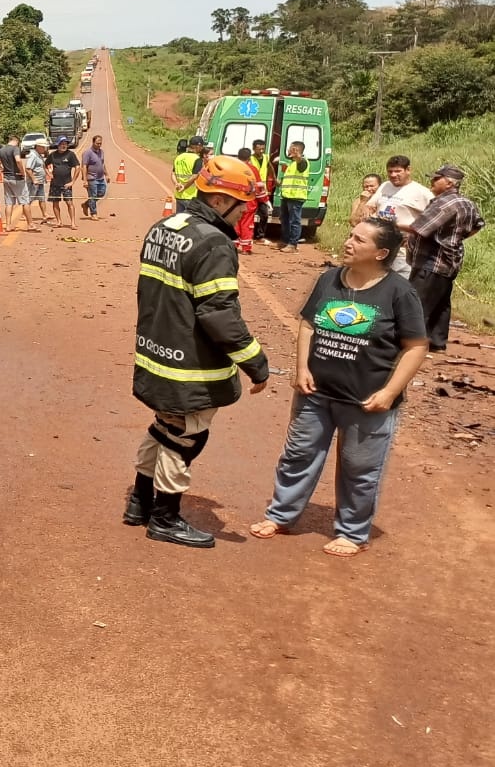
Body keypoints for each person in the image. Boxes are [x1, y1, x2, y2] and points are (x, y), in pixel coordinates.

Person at [250, 217, 428, 557]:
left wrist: (390, 392)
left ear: (381, 253)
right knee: (297, 456)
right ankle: (281, 515)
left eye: (359, 240)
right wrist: (301, 368)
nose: (349, 242)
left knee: (360, 469)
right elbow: (308, 324)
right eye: (350, 235)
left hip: (367, 401)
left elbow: (416, 346)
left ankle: (352, 531)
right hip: (315, 394)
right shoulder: (329, 278)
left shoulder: (399, 292)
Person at [125, 156, 269, 548]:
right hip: (189, 363)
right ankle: (165, 518)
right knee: (185, 436)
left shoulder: (164, 226)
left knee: (163, 424)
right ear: (222, 201)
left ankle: (139, 501)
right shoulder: (214, 243)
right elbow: (219, 313)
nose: (246, 214)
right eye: (245, 206)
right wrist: (255, 362)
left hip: (155, 352)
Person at [405, 164, 485, 351]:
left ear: (449, 183)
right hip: (450, 261)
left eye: (436, 179)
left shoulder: (444, 203)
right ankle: (436, 342)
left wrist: (387, 222)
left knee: (418, 301)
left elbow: (418, 228)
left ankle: (413, 345)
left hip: (432, 260)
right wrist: (454, 238)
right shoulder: (467, 203)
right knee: (441, 302)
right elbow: (478, 225)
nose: (432, 182)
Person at [366, 155, 434, 276]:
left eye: (398, 171)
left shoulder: (422, 192)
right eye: (390, 171)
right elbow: (371, 206)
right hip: (379, 244)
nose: (393, 175)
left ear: (408, 170)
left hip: (403, 249)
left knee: (400, 282)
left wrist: (417, 236)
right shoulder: (385, 186)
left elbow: (433, 221)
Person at [0, 135, 35, 232]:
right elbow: (18, 160)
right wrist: (22, 172)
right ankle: (30, 224)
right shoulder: (15, 149)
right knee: (25, 201)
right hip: (17, 178)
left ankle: (8, 225)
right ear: (17, 141)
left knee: (9, 203)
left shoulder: (1, 150)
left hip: (6, 178)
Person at [276, 140, 312, 251]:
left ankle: (293, 244)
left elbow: (301, 165)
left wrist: (298, 156)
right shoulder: (291, 164)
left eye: (290, 149)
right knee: (284, 219)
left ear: (296, 150)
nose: (288, 150)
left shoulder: (303, 162)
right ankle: (286, 241)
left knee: (294, 221)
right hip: (287, 196)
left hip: (296, 197)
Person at [46, 137, 82, 228]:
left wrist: (72, 182)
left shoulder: (71, 155)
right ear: (58, 145)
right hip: (55, 183)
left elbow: (77, 167)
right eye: (62, 144)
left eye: (65, 144)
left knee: (69, 203)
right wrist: (49, 174)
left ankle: (73, 223)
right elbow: (45, 165)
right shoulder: (53, 155)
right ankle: (59, 222)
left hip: (67, 183)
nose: (64, 145)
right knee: (55, 202)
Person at [233, 147, 260, 254]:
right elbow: (258, 187)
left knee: (234, 223)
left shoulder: (232, 168)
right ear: (249, 158)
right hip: (248, 202)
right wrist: (264, 200)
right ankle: (246, 249)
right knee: (247, 224)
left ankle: (233, 245)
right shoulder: (252, 170)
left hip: (233, 200)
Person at [249, 139, 273, 240]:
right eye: (259, 149)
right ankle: (247, 235)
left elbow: (270, 167)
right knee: (249, 214)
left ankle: (260, 235)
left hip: (262, 191)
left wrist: (274, 179)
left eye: (263, 149)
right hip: (251, 190)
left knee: (264, 214)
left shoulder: (266, 157)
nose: (261, 151)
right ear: (254, 149)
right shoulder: (250, 159)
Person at [25, 140, 52, 225]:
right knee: (29, 199)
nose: (45, 149)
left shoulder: (39, 155)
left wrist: (48, 174)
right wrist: (33, 179)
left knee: (42, 198)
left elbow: (43, 166)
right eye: (43, 147)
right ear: (38, 147)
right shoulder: (32, 155)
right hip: (34, 182)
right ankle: (24, 215)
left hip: (40, 181)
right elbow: (28, 168)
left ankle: (45, 214)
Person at [173, 136, 207, 200]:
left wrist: (176, 184)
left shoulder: (179, 157)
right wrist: (184, 187)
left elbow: (173, 174)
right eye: (202, 146)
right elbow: (194, 176)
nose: (202, 148)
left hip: (179, 195)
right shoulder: (197, 159)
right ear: (198, 146)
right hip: (191, 196)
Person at [81, 134, 107, 218]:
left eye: (100, 143)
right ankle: (94, 213)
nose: (99, 145)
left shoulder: (101, 152)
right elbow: (84, 166)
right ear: (93, 142)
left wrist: (107, 174)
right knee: (93, 195)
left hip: (101, 178)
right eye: (97, 143)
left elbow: (102, 164)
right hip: (91, 178)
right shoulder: (87, 153)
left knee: (102, 193)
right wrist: (85, 180)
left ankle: (86, 204)